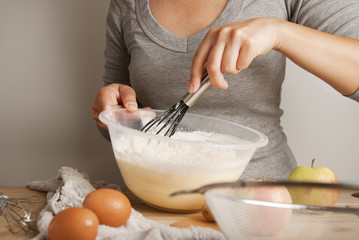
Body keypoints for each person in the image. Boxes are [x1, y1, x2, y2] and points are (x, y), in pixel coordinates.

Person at [92, 0, 359, 180]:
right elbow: (120, 120)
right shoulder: (126, 6)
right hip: (157, 203)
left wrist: (279, 32)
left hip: (263, 200)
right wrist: (115, 115)